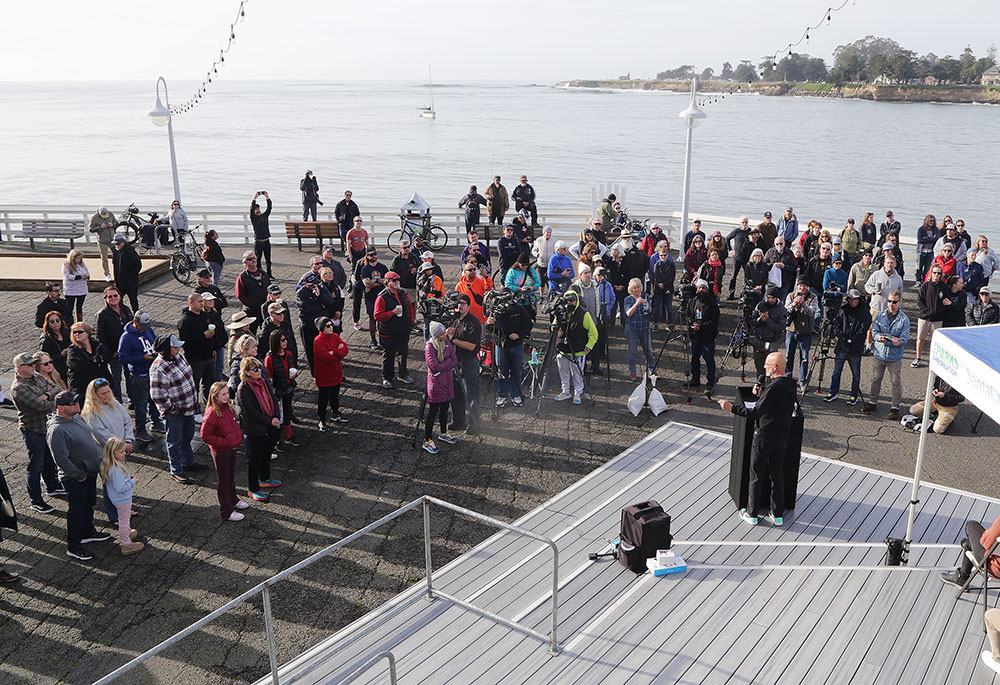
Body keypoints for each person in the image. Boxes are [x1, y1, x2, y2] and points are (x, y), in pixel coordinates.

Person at [717, 352, 797, 526]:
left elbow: (755, 413)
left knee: (756, 474)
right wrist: (762, 395)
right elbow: (774, 406)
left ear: (775, 367)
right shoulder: (790, 385)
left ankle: (752, 513)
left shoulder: (774, 387)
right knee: (777, 475)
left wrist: (731, 408)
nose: (765, 367)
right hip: (782, 437)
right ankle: (777, 514)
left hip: (764, 438)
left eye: (767, 364)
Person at [47, 390, 110, 561]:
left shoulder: (76, 417)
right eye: (72, 403)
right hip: (75, 478)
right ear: (60, 408)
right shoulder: (57, 430)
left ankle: (88, 532)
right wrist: (78, 474)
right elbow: (60, 459)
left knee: (89, 503)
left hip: (89, 472)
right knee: (76, 511)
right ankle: (74, 546)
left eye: (76, 402)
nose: (77, 405)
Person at [11, 352, 62, 514]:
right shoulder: (18, 388)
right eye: (30, 365)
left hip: (46, 426)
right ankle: (36, 501)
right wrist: (49, 398)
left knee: (49, 459)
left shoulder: (37, 376)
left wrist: (46, 395)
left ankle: (52, 487)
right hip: (32, 430)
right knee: (36, 465)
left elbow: (58, 390)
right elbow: (40, 406)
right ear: (19, 368)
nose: (34, 366)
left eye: (34, 363)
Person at [150, 334, 203, 484]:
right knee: (174, 441)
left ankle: (188, 461)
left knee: (187, 436)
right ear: (166, 349)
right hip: (176, 412)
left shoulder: (179, 357)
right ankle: (176, 470)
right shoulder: (158, 368)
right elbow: (157, 394)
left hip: (188, 407)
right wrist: (172, 409)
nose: (178, 348)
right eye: (174, 346)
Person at [82, 377, 134, 528]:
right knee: (111, 485)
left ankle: (124, 508)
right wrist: (123, 446)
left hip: (121, 450)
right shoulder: (91, 413)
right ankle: (114, 514)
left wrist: (129, 440)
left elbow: (127, 421)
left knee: (122, 479)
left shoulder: (114, 403)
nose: (107, 395)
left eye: (108, 391)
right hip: (105, 455)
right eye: (103, 393)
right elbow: (101, 434)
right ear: (94, 396)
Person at [200, 381, 250, 521]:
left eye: (227, 393)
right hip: (221, 450)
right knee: (224, 479)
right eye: (223, 394)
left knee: (230, 476)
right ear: (215, 396)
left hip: (230, 448)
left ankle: (233, 500)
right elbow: (205, 435)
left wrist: (235, 438)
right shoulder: (212, 413)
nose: (227, 396)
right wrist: (225, 442)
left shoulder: (226, 407)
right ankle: (226, 511)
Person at [236, 357, 282, 502]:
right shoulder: (244, 388)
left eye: (259, 367)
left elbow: (273, 399)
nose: (259, 371)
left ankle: (265, 478)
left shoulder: (263, 381)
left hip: (269, 425)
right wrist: (270, 420)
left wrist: (275, 416)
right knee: (254, 460)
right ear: (247, 372)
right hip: (255, 430)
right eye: (255, 369)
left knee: (266, 454)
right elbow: (250, 412)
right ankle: (253, 489)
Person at [863, 291, 909, 420]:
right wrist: (887, 339)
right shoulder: (881, 315)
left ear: (899, 302)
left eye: (894, 302)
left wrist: (887, 340)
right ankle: (872, 402)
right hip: (879, 354)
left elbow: (903, 340)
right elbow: (875, 332)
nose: (891, 304)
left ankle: (895, 407)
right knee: (876, 379)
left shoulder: (904, 319)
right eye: (889, 301)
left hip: (894, 357)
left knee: (895, 382)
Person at [118, 311, 162, 442]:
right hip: (139, 374)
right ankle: (140, 430)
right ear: (135, 322)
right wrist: (142, 358)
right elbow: (123, 357)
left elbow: (155, 342)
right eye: (143, 325)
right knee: (141, 404)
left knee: (154, 399)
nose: (146, 328)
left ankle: (156, 421)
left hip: (151, 372)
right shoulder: (126, 337)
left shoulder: (148, 330)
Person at [485, 289, 532, 408]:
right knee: (502, 371)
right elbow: (490, 330)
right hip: (500, 345)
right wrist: (489, 323)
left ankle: (516, 394)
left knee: (517, 371)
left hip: (516, 346)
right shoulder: (495, 310)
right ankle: (502, 395)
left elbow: (528, 324)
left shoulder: (519, 309)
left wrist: (519, 334)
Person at [824, 290, 870, 404]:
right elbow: (837, 325)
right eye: (851, 299)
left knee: (856, 373)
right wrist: (842, 338)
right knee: (836, 371)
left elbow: (863, 330)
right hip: (842, 346)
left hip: (856, 347)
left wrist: (852, 340)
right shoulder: (843, 310)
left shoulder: (865, 313)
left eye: (856, 299)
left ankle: (854, 395)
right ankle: (833, 392)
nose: (853, 301)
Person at [553, 290, 597, 404]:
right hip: (563, 349)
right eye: (568, 301)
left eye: (573, 300)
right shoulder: (561, 312)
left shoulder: (584, 313)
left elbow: (593, 332)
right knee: (563, 371)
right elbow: (553, 327)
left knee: (577, 373)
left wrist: (589, 345)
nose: (571, 303)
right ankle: (565, 391)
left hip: (578, 349)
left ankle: (578, 392)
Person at [421, 322, 459, 454]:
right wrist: (448, 364)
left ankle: (443, 432)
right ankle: (427, 439)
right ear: (436, 335)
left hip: (447, 382)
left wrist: (446, 363)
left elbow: (454, 360)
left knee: (445, 409)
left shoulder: (446, 342)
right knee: (432, 412)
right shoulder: (430, 347)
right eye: (442, 334)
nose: (445, 335)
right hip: (436, 385)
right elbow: (435, 367)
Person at [447, 294, 482, 435]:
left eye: (463, 303)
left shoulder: (473, 322)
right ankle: (458, 421)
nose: (459, 306)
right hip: (454, 361)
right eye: (458, 303)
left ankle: (474, 424)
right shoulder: (453, 318)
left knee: (472, 395)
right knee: (455, 394)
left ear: (468, 305)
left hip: (469, 362)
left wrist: (453, 339)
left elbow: (471, 346)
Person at [374, 271, 414, 387]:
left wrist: (411, 321)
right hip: (389, 332)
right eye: (394, 280)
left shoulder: (402, 293)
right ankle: (387, 377)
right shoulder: (382, 297)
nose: (397, 282)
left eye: (398, 280)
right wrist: (392, 313)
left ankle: (403, 374)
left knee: (403, 353)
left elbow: (409, 308)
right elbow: (377, 316)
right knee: (389, 356)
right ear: (387, 283)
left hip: (403, 330)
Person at [177, 292, 217, 408]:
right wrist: (204, 336)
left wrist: (212, 347)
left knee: (209, 384)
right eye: (199, 301)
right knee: (194, 385)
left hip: (208, 356)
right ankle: (195, 408)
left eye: (202, 301)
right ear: (191, 303)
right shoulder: (185, 320)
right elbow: (186, 340)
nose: (202, 303)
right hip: (195, 359)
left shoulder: (204, 316)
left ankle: (210, 406)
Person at [95, 286, 132, 405]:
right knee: (116, 379)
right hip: (115, 353)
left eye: (115, 295)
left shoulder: (125, 309)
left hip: (129, 351)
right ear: (105, 299)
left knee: (130, 376)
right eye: (110, 296)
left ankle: (133, 400)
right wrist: (110, 352)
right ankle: (117, 403)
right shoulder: (102, 314)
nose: (113, 298)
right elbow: (100, 336)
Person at [312, 317, 349, 430]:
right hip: (324, 376)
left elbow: (345, 350)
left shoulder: (335, 336)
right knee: (323, 399)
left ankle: (335, 413)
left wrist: (334, 352)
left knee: (335, 396)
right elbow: (326, 358)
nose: (331, 327)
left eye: (331, 325)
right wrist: (337, 351)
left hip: (336, 374)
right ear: (322, 328)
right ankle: (322, 420)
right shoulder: (318, 341)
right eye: (328, 326)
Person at [265, 329, 299, 448]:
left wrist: (294, 377)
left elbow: (292, 367)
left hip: (288, 388)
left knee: (288, 412)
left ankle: (289, 436)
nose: (286, 342)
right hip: (277, 391)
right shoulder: (270, 358)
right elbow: (268, 377)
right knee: (278, 416)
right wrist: (273, 391)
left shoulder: (288, 354)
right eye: (283, 340)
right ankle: (277, 441)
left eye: (286, 340)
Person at [748, 287, 788, 383]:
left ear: (776, 298)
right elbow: (752, 321)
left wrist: (767, 320)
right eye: (768, 297)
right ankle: (760, 383)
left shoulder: (781, 310)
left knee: (771, 365)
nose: (770, 300)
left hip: (772, 340)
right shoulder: (760, 305)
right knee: (759, 364)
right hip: (759, 339)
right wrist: (760, 319)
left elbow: (779, 328)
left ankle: (770, 384)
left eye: (772, 298)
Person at [784, 278, 818, 388]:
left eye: (804, 286)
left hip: (805, 331)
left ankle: (802, 380)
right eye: (800, 285)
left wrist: (804, 304)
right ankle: (787, 377)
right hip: (791, 330)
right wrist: (794, 303)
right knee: (789, 355)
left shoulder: (813, 297)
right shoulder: (790, 295)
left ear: (807, 287)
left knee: (804, 357)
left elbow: (813, 313)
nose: (801, 288)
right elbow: (785, 310)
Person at [66, 322, 112, 404]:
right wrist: (97, 362)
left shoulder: (96, 345)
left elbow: (107, 356)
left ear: (87, 333)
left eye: (80, 332)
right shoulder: (72, 349)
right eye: (74, 332)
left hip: (99, 384)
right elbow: (78, 365)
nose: (77, 334)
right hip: (82, 388)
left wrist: (97, 360)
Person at [913, 264, 948, 368]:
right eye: (934, 273)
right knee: (920, 338)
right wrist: (926, 310)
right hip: (924, 317)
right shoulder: (925, 286)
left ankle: (933, 359)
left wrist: (939, 311)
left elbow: (946, 302)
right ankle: (918, 358)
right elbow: (919, 301)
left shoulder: (944, 287)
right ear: (931, 274)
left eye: (939, 273)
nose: (936, 275)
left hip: (937, 319)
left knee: (935, 341)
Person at [623, 278, 655, 382]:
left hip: (644, 327)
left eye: (638, 287)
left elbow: (650, 311)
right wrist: (636, 304)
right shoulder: (627, 299)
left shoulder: (646, 296)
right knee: (632, 352)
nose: (637, 290)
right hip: (632, 328)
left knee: (648, 350)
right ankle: (633, 372)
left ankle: (652, 369)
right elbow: (628, 313)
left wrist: (648, 305)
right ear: (631, 289)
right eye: (634, 288)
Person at [360, 248, 390, 349]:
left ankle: (382, 339)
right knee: (372, 319)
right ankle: (373, 340)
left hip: (382, 297)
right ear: (367, 256)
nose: (373, 256)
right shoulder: (365, 269)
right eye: (371, 255)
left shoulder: (383, 267)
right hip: (370, 297)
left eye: (375, 254)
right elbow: (367, 283)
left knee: (382, 320)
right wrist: (379, 281)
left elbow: (387, 281)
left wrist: (374, 281)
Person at [235, 251, 270, 336]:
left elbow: (269, 287)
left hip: (265, 309)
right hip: (251, 311)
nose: (253, 260)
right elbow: (239, 295)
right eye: (250, 259)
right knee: (250, 333)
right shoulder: (242, 277)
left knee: (267, 332)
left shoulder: (263, 273)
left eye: (254, 258)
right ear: (245, 262)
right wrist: (251, 304)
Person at [389, 241, 420, 319]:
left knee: (413, 305)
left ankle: (413, 321)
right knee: (403, 306)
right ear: (400, 249)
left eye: (408, 247)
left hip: (412, 286)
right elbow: (391, 273)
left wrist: (416, 270)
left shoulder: (414, 257)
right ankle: (403, 321)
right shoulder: (396, 260)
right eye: (404, 247)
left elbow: (420, 268)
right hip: (401, 287)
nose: (407, 249)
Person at [112, 233, 142, 312]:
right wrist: (115, 280)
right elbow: (115, 267)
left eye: (118, 244)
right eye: (115, 244)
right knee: (118, 299)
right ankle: (120, 313)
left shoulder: (131, 252)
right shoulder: (115, 253)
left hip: (130, 281)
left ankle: (136, 313)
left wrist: (131, 277)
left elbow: (138, 265)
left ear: (123, 243)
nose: (116, 246)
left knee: (133, 299)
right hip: (119, 281)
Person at [202, 293, 229, 383]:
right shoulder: (203, 316)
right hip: (212, 347)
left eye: (212, 300)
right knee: (212, 369)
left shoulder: (215, 312)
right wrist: (211, 348)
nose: (212, 301)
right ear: (203, 302)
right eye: (209, 300)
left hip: (219, 344)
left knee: (220, 367)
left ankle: (218, 384)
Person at [40, 310, 71, 381]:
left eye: (57, 320)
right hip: (58, 371)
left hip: (70, 366)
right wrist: (61, 355)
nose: (55, 323)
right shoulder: (46, 340)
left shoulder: (67, 332)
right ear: (48, 324)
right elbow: (45, 360)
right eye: (52, 322)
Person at [88, 206, 117, 281]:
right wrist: (100, 227)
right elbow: (91, 229)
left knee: (117, 256)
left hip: (112, 240)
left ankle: (117, 271)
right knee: (104, 258)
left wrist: (112, 225)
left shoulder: (110, 214)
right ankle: (107, 274)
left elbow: (116, 223)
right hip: (102, 240)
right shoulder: (94, 217)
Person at [726, 216, 752, 297]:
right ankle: (731, 293)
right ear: (740, 223)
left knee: (747, 277)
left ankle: (744, 294)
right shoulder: (736, 231)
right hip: (737, 257)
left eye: (746, 222)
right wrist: (730, 249)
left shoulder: (750, 231)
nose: (744, 224)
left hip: (747, 258)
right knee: (733, 276)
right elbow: (727, 238)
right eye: (743, 222)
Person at [61, 248, 90, 322]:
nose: (79, 260)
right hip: (71, 289)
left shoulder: (82, 265)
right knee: (69, 307)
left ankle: (79, 322)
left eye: (80, 258)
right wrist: (79, 277)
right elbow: (67, 276)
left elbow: (87, 273)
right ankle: (69, 322)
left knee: (79, 307)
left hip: (81, 289)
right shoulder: (66, 264)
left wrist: (87, 276)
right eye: (78, 258)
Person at [250, 192, 274, 278]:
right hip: (258, 242)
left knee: (268, 259)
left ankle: (269, 274)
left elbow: (269, 208)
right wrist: (254, 199)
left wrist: (267, 198)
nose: (257, 210)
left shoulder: (264, 216)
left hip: (266, 240)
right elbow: (251, 210)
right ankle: (259, 273)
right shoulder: (254, 218)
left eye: (258, 208)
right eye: (256, 209)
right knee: (258, 259)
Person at [915, 214, 940, 283]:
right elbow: (920, 239)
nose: (931, 222)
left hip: (930, 251)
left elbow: (936, 239)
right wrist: (931, 239)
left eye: (933, 221)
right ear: (926, 221)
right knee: (919, 267)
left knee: (928, 267)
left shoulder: (936, 230)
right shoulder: (921, 229)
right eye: (930, 220)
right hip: (921, 251)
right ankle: (918, 280)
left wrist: (926, 238)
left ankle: (924, 280)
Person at [531, 226, 556, 294]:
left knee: (550, 280)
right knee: (542, 281)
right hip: (541, 263)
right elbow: (534, 250)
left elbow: (556, 251)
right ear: (544, 232)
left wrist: (554, 256)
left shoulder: (554, 240)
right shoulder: (539, 240)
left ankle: (550, 294)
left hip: (550, 264)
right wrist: (537, 255)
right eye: (547, 232)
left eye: (550, 232)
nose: (549, 234)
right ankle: (541, 295)